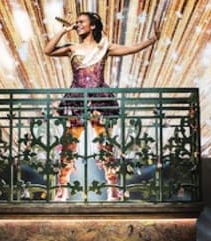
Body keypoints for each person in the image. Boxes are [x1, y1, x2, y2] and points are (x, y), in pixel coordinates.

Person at [44, 11, 159, 201]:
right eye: (77, 22)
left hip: (99, 99)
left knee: (105, 145)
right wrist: (64, 31)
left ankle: (112, 188)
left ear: (93, 26)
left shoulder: (104, 47)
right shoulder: (72, 47)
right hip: (77, 98)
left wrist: (152, 39)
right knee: (69, 145)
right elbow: (48, 50)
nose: (78, 25)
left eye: (82, 22)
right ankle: (62, 187)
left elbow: (131, 49)